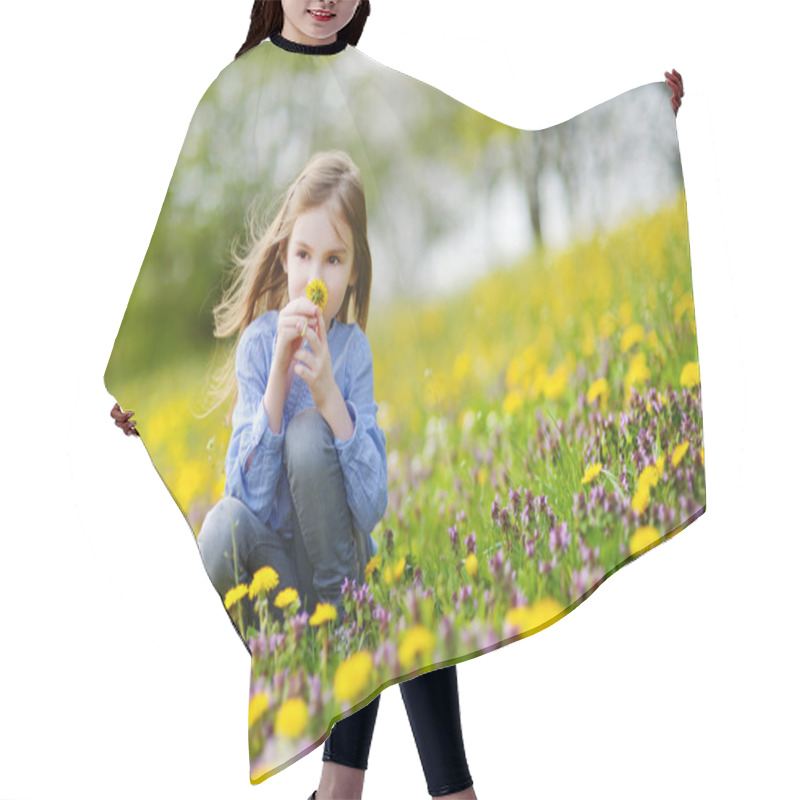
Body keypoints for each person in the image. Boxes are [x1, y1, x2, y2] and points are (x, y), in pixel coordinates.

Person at [108, 3, 685, 798]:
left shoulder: (351, 344)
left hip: (342, 560)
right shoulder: (233, 92)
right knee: (224, 525)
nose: (318, 271)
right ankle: (355, 736)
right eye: (305, 253)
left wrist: (648, 106)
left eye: (334, 259)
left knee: (360, 525)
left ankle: (368, 758)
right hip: (283, 568)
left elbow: (372, 500)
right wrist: (265, 382)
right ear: (285, 256)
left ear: (353, 270)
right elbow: (249, 490)